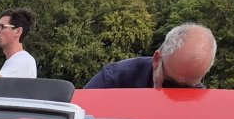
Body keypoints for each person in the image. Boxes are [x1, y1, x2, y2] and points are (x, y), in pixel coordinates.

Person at [85, 23, 216, 89]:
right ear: (157, 59)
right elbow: (77, 117)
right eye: (170, 84)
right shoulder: (114, 79)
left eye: (189, 89)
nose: (177, 94)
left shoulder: (204, 104)